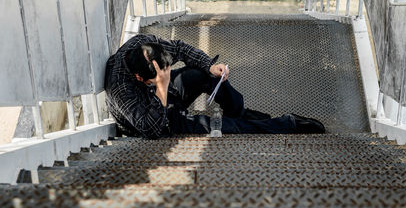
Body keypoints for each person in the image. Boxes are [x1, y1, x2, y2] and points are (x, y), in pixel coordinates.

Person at [104, 34, 325, 139]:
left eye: (167, 67)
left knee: (203, 75)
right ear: (140, 78)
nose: (168, 73)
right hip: (156, 117)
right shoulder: (121, 89)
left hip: (164, 92)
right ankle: (287, 124)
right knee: (222, 126)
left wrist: (210, 66)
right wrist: (161, 88)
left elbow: (180, 48)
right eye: (163, 74)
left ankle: (239, 112)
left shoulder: (142, 45)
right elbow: (149, 129)